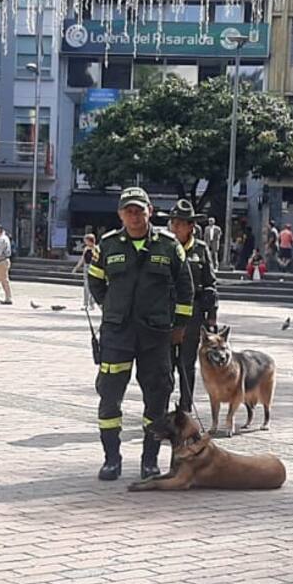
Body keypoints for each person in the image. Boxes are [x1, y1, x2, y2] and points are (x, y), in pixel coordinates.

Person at [87, 187, 193, 481]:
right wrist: (112, 307)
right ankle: (111, 460)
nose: (134, 216)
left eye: (139, 210)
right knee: (109, 397)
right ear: (120, 214)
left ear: (150, 211)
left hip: (155, 336)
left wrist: (179, 326)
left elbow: (185, 288)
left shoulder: (169, 246)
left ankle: (150, 461)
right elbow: (96, 282)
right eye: (128, 211)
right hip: (117, 335)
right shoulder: (107, 245)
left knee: (157, 399)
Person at [167, 201, 218, 414]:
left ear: (191, 226)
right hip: (167, 313)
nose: (175, 228)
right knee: (165, 364)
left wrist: (212, 317)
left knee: (186, 364)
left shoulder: (200, 249)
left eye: (180, 224)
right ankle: (160, 407)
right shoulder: (164, 246)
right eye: (173, 223)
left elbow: (210, 284)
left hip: (193, 314)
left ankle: (186, 407)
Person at [72, 233, 98, 310]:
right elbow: (82, 259)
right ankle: (86, 304)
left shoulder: (96, 249)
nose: (85, 242)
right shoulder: (86, 249)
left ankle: (91, 304)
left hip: (93, 267)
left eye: (86, 240)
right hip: (86, 267)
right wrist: (76, 267)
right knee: (86, 286)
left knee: (91, 286)